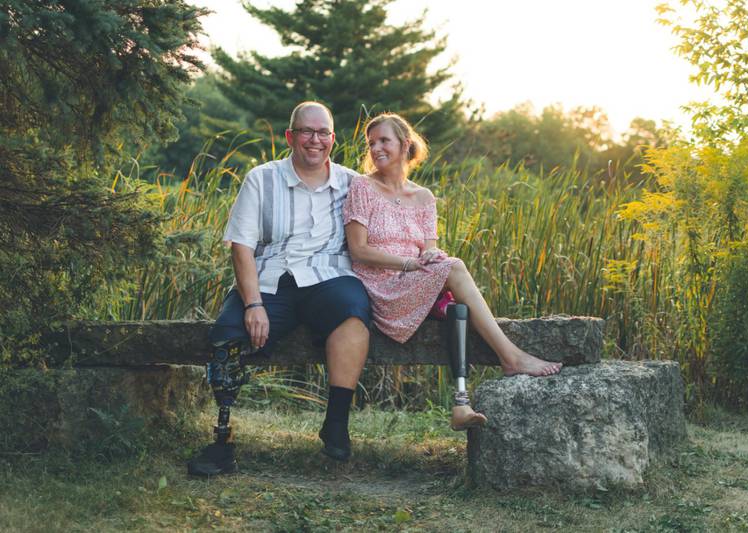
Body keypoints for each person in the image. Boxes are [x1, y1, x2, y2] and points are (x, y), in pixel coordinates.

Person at [343, 113, 562, 431]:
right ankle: (511, 357)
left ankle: (461, 404)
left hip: (415, 281)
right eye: (371, 143)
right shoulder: (363, 187)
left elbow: (429, 249)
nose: (376, 148)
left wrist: (429, 256)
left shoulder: (423, 197)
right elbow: (358, 250)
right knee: (455, 267)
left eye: (384, 141)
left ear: (404, 145)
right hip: (380, 288)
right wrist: (408, 264)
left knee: (457, 306)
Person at [188, 102, 371, 476]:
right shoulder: (262, 178)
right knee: (227, 338)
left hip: (328, 278)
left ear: (333, 139)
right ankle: (221, 442)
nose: (315, 140)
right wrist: (253, 304)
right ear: (290, 136)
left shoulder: (353, 184)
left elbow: (395, 206)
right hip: (270, 279)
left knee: (354, 311)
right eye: (306, 131)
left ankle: (336, 422)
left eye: (323, 133)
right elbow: (241, 245)